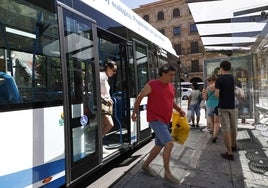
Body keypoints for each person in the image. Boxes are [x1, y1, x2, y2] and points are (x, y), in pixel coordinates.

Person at [131, 64, 185, 184]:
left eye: (173, 75)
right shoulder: (152, 84)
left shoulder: (171, 86)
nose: (172, 77)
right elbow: (139, 97)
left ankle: (145, 165)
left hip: (166, 120)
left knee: (159, 145)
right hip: (155, 119)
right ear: (163, 73)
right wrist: (134, 113)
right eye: (170, 74)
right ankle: (167, 174)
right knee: (169, 143)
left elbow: (170, 102)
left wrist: (180, 109)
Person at [215, 60, 236, 160]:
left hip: (223, 106)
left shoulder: (219, 79)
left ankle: (229, 152)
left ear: (221, 68)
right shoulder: (232, 78)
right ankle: (234, 145)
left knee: (225, 128)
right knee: (233, 126)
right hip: (233, 106)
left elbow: (217, 94)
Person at [100, 60, 117, 137]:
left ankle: (99, 143)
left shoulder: (105, 78)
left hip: (106, 105)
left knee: (103, 125)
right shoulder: (101, 76)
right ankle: (98, 141)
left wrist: (110, 99)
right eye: (114, 70)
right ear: (108, 68)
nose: (114, 73)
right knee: (110, 124)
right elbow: (94, 89)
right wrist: (105, 99)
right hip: (102, 104)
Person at [204, 75, 220, 143]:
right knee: (217, 122)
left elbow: (205, 98)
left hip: (209, 105)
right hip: (217, 105)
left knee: (212, 121)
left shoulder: (207, 88)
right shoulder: (218, 87)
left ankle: (213, 133)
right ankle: (215, 136)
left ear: (211, 80)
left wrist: (204, 94)